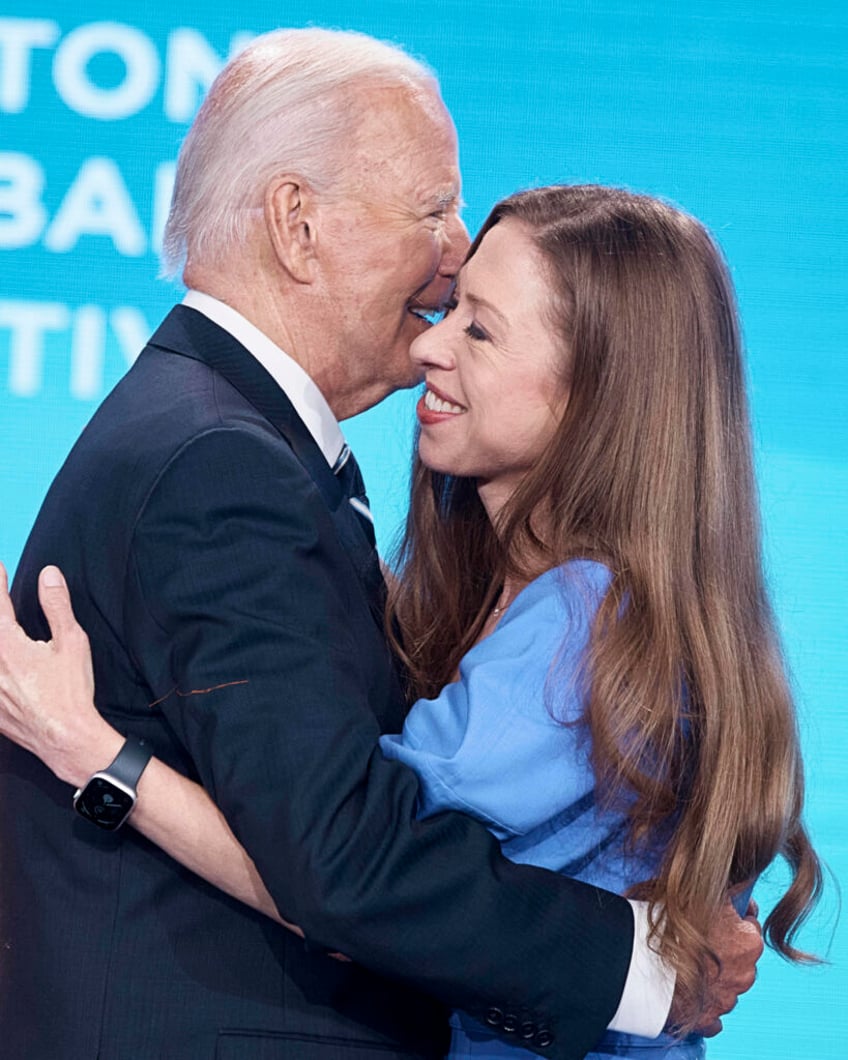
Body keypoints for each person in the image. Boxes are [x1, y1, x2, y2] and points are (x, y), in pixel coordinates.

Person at [0, 28, 763, 1060]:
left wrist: (101, 754)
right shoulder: (221, 461)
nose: (450, 258)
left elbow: (346, 858)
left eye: (483, 325)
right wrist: (646, 966)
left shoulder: (244, 447)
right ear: (297, 225)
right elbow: (351, 865)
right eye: (430, 210)